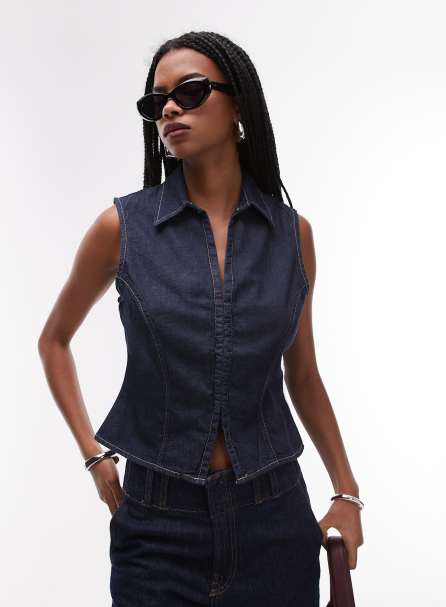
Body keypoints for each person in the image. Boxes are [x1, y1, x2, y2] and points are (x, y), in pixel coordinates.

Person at [38, 30, 364, 606]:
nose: (168, 109)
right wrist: (94, 455)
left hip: (275, 518)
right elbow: (55, 340)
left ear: (238, 104)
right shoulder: (122, 229)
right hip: (156, 525)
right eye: (156, 101)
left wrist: (346, 490)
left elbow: (303, 374)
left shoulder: (292, 236)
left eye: (188, 92)